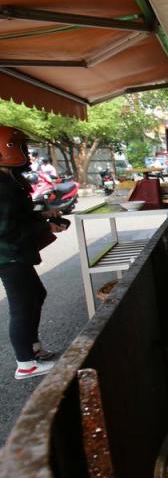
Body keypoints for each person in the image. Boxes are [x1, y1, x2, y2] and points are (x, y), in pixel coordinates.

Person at [0, 127, 68, 379]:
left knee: (36, 295)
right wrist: (44, 225)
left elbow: (17, 217)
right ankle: (25, 363)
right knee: (22, 305)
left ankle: (33, 349)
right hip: (9, 256)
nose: (26, 153)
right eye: (20, 148)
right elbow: (6, 228)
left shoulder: (10, 180)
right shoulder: (2, 185)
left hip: (16, 254)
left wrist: (42, 215)